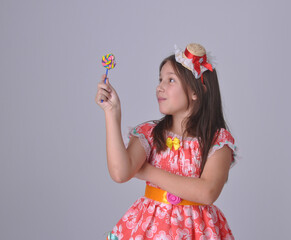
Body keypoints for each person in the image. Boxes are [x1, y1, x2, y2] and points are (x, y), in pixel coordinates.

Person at [95, 43, 238, 240]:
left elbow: (207, 192)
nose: (159, 87)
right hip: (151, 230)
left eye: (170, 80)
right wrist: (112, 113)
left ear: (196, 91)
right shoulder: (151, 134)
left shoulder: (217, 141)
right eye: (160, 79)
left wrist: (146, 171)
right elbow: (120, 172)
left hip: (198, 232)